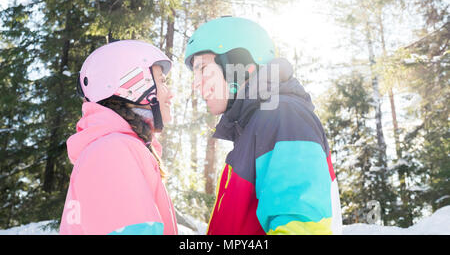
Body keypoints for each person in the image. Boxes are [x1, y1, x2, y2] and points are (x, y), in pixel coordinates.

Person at [184, 16, 343, 235]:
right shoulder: (255, 129)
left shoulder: (284, 117)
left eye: (202, 68)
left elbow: (300, 229)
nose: (196, 83)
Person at [59, 40, 177, 235]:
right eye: (162, 81)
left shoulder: (115, 148)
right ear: (134, 84)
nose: (170, 93)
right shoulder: (112, 151)